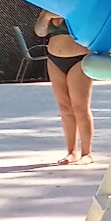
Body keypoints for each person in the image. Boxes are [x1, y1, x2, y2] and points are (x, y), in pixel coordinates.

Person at [34, 10, 95, 163]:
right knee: (64, 107)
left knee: (80, 107)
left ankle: (87, 153)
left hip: (78, 58)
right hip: (54, 59)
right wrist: (46, 16)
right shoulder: (47, 7)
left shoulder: (78, 6)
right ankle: (71, 152)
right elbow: (40, 32)